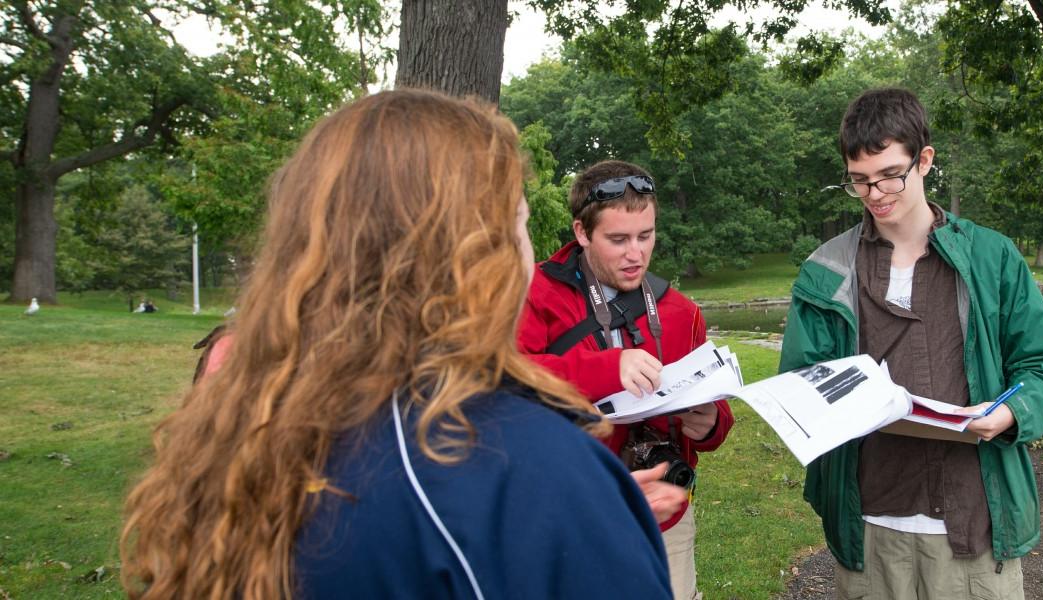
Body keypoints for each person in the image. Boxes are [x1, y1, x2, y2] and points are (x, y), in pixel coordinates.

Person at [120, 90, 672, 599]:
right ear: (477, 256)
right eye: (522, 224)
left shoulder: (253, 418)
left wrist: (580, 513)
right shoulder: (519, 462)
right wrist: (583, 511)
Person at [779, 87, 1043, 600]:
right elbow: (803, 384)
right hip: (870, 522)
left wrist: (1008, 414)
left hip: (973, 523)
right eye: (860, 182)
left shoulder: (992, 258)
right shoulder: (824, 272)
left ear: (925, 160)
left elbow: (1041, 367)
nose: (876, 194)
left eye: (890, 174)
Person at [517, 160, 735, 600]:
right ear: (581, 233)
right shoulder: (533, 292)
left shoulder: (681, 311)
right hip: (569, 519)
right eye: (618, 240)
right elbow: (506, 378)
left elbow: (714, 414)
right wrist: (605, 368)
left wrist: (711, 424)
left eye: (646, 236)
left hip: (663, 518)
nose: (635, 254)